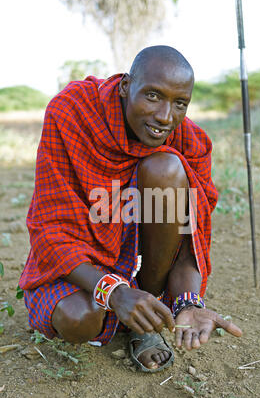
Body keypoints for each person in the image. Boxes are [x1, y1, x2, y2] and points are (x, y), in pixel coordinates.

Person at [19, 45, 242, 372]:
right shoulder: (73, 112)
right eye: (153, 96)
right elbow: (50, 230)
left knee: (166, 167)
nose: (166, 117)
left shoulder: (189, 140)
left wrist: (189, 303)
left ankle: (145, 317)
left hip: (138, 242)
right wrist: (115, 292)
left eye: (179, 103)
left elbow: (187, 245)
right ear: (125, 86)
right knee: (79, 318)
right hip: (81, 251)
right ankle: (124, 303)